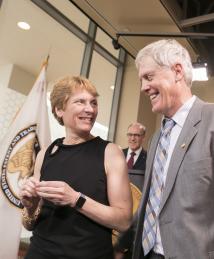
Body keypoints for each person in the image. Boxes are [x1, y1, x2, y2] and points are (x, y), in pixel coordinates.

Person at [20, 76, 133, 259]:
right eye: (80, 102)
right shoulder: (45, 153)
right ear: (59, 109)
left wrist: (75, 199)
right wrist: (31, 208)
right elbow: (29, 224)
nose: (90, 109)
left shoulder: (110, 153)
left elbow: (124, 221)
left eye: (93, 103)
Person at [131, 38, 214, 259]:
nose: (143, 88)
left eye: (149, 77)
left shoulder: (211, 119)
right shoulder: (157, 137)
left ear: (177, 71)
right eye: (141, 80)